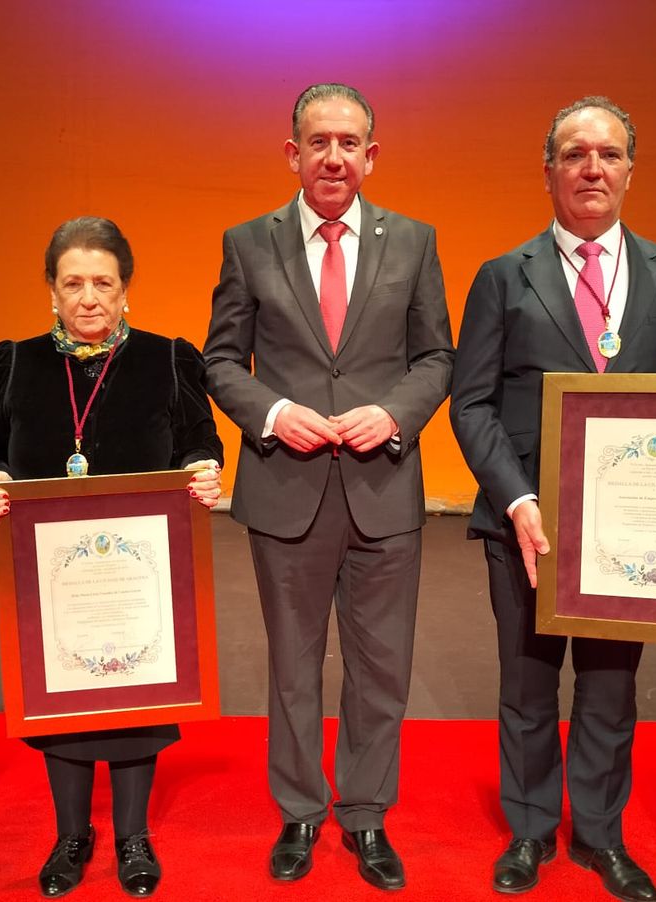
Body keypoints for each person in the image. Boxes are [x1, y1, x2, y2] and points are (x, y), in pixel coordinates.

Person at [447, 95, 656, 900]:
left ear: (630, 170)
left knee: (610, 686)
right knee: (527, 686)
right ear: (549, 172)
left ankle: (601, 836)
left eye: (607, 154)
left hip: (630, 534)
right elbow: (472, 402)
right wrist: (519, 501)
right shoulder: (504, 275)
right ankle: (530, 831)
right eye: (574, 154)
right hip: (525, 523)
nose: (591, 168)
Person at [202, 83, 454, 891]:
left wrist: (395, 413)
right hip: (287, 490)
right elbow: (219, 361)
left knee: (382, 669)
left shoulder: (414, 242)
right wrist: (274, 412)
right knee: (292, 667)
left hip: (384, 489)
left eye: (350, 142)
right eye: (319, 142)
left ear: (371, 154)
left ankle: (367, 816)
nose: (335, 156)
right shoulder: (248, 243)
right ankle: (301, 811)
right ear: (293, 153)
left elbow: (436, 358)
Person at [0, 217, 223, 898]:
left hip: (139, 569)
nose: (89, 297)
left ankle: (133, 836)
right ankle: (70, 835)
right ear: (52, 291)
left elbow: (201, 439)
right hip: (48, 571)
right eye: (73, 283)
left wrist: (204, 467)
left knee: (136, 696)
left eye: (103, 283)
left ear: (125, 291)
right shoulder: (14, 361)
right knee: (64, 700)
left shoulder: (167, 357)